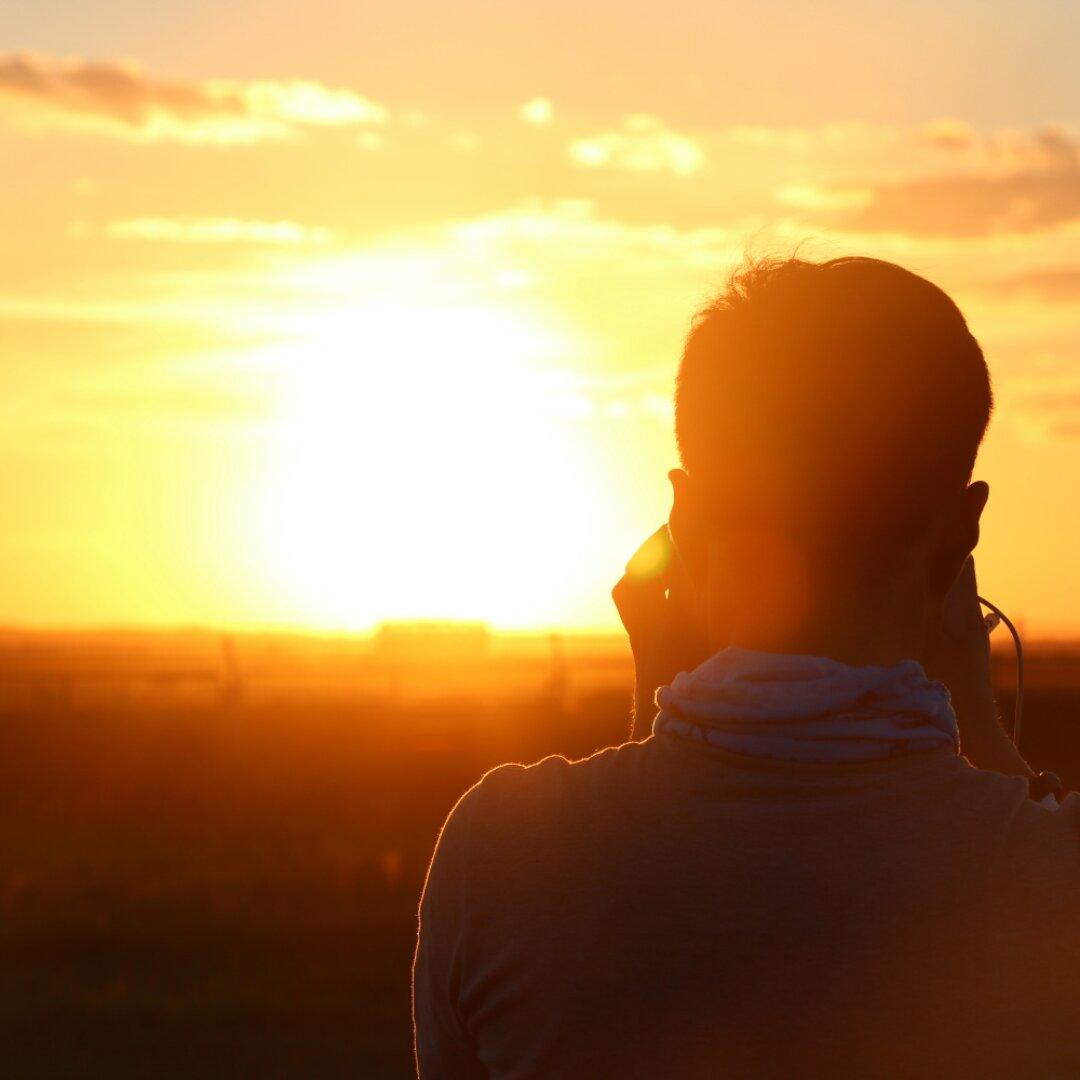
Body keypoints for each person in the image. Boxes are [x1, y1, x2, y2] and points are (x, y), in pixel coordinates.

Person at [413, 256, 1080, 1078]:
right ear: (961, 532)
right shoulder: (1057, 878)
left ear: (685, 517)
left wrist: (654, 702)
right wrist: (982, 729)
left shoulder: (500, 855)